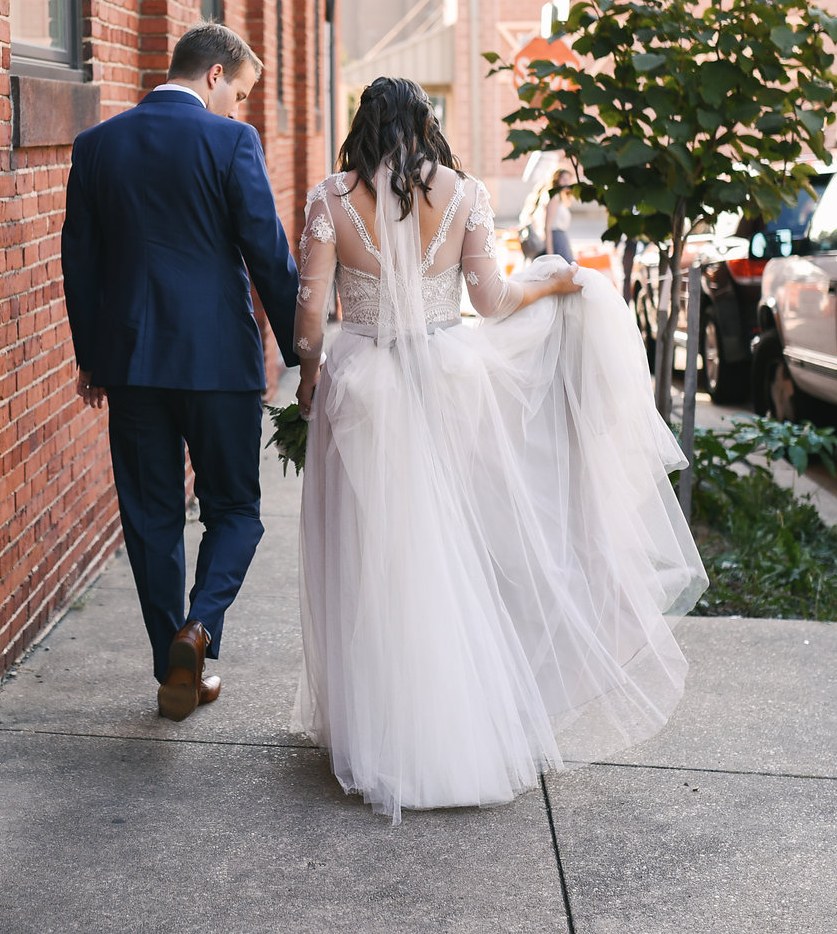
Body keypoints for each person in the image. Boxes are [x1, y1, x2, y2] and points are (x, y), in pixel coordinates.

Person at [290, 77, 706, 819]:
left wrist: (311, 377)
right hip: (448, 384)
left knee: (367, 557)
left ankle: (377, 727)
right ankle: (455, 728)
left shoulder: (330, 197)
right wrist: (550, 285)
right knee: (449, 553)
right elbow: (492, 302)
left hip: (363, 393)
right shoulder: (463, 193)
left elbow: (308, 325)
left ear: (363, 124)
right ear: (425, 124)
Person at [61, 24, 300, 721]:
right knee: (235, 510)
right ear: (215, 74)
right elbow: (270, 257)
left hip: (133, 364)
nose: (239, 110)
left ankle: (176, 664)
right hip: (219, 362)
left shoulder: (97, 145)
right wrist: (302, 354)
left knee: (151, 517)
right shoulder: (230, 143)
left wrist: (91, 357)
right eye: (241, 94)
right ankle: (199, 629)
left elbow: (80, 264)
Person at [545, 173, 577, 262]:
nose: (567, 183)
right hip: (556, 238)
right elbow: (548, 227)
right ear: (557, 181)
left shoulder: (561, 199)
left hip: (562, 237)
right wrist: (549, 253)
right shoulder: (554, 198)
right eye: (564, 180)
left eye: (569, 180)